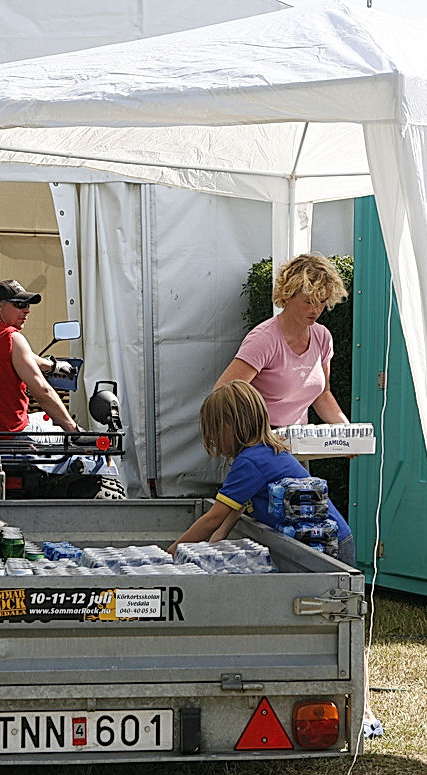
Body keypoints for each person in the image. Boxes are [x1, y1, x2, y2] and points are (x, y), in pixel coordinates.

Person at [167, 380, 384, 740]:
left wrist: (172, 551)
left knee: (342, 630)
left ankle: (361, 711)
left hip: (326, 547)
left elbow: (212, 517)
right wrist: (205, 551)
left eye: (213, 433)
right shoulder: (264, 453)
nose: (212, 442)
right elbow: (231, 517)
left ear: (228, 427)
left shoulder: (251, 460)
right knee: (335, 630)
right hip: (324, 542)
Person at [215, 253, 350, 427]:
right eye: (309, 301)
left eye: (322, 301)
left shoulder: (322, 337)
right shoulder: (263, 339)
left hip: (298, 442)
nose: (316, 309)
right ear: (288, 296)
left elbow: (323, 395)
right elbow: (221, 395)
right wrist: (256, 435)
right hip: (261, 440)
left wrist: (348, 434)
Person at [0, 279, 80, 437]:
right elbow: (42, 391)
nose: (27, 311)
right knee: (61, 435)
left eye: (28, 305)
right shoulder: (12, 336)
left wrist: (52, 366)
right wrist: (74, 430)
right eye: (20, 305)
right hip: (10, 434)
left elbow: (23, 356)